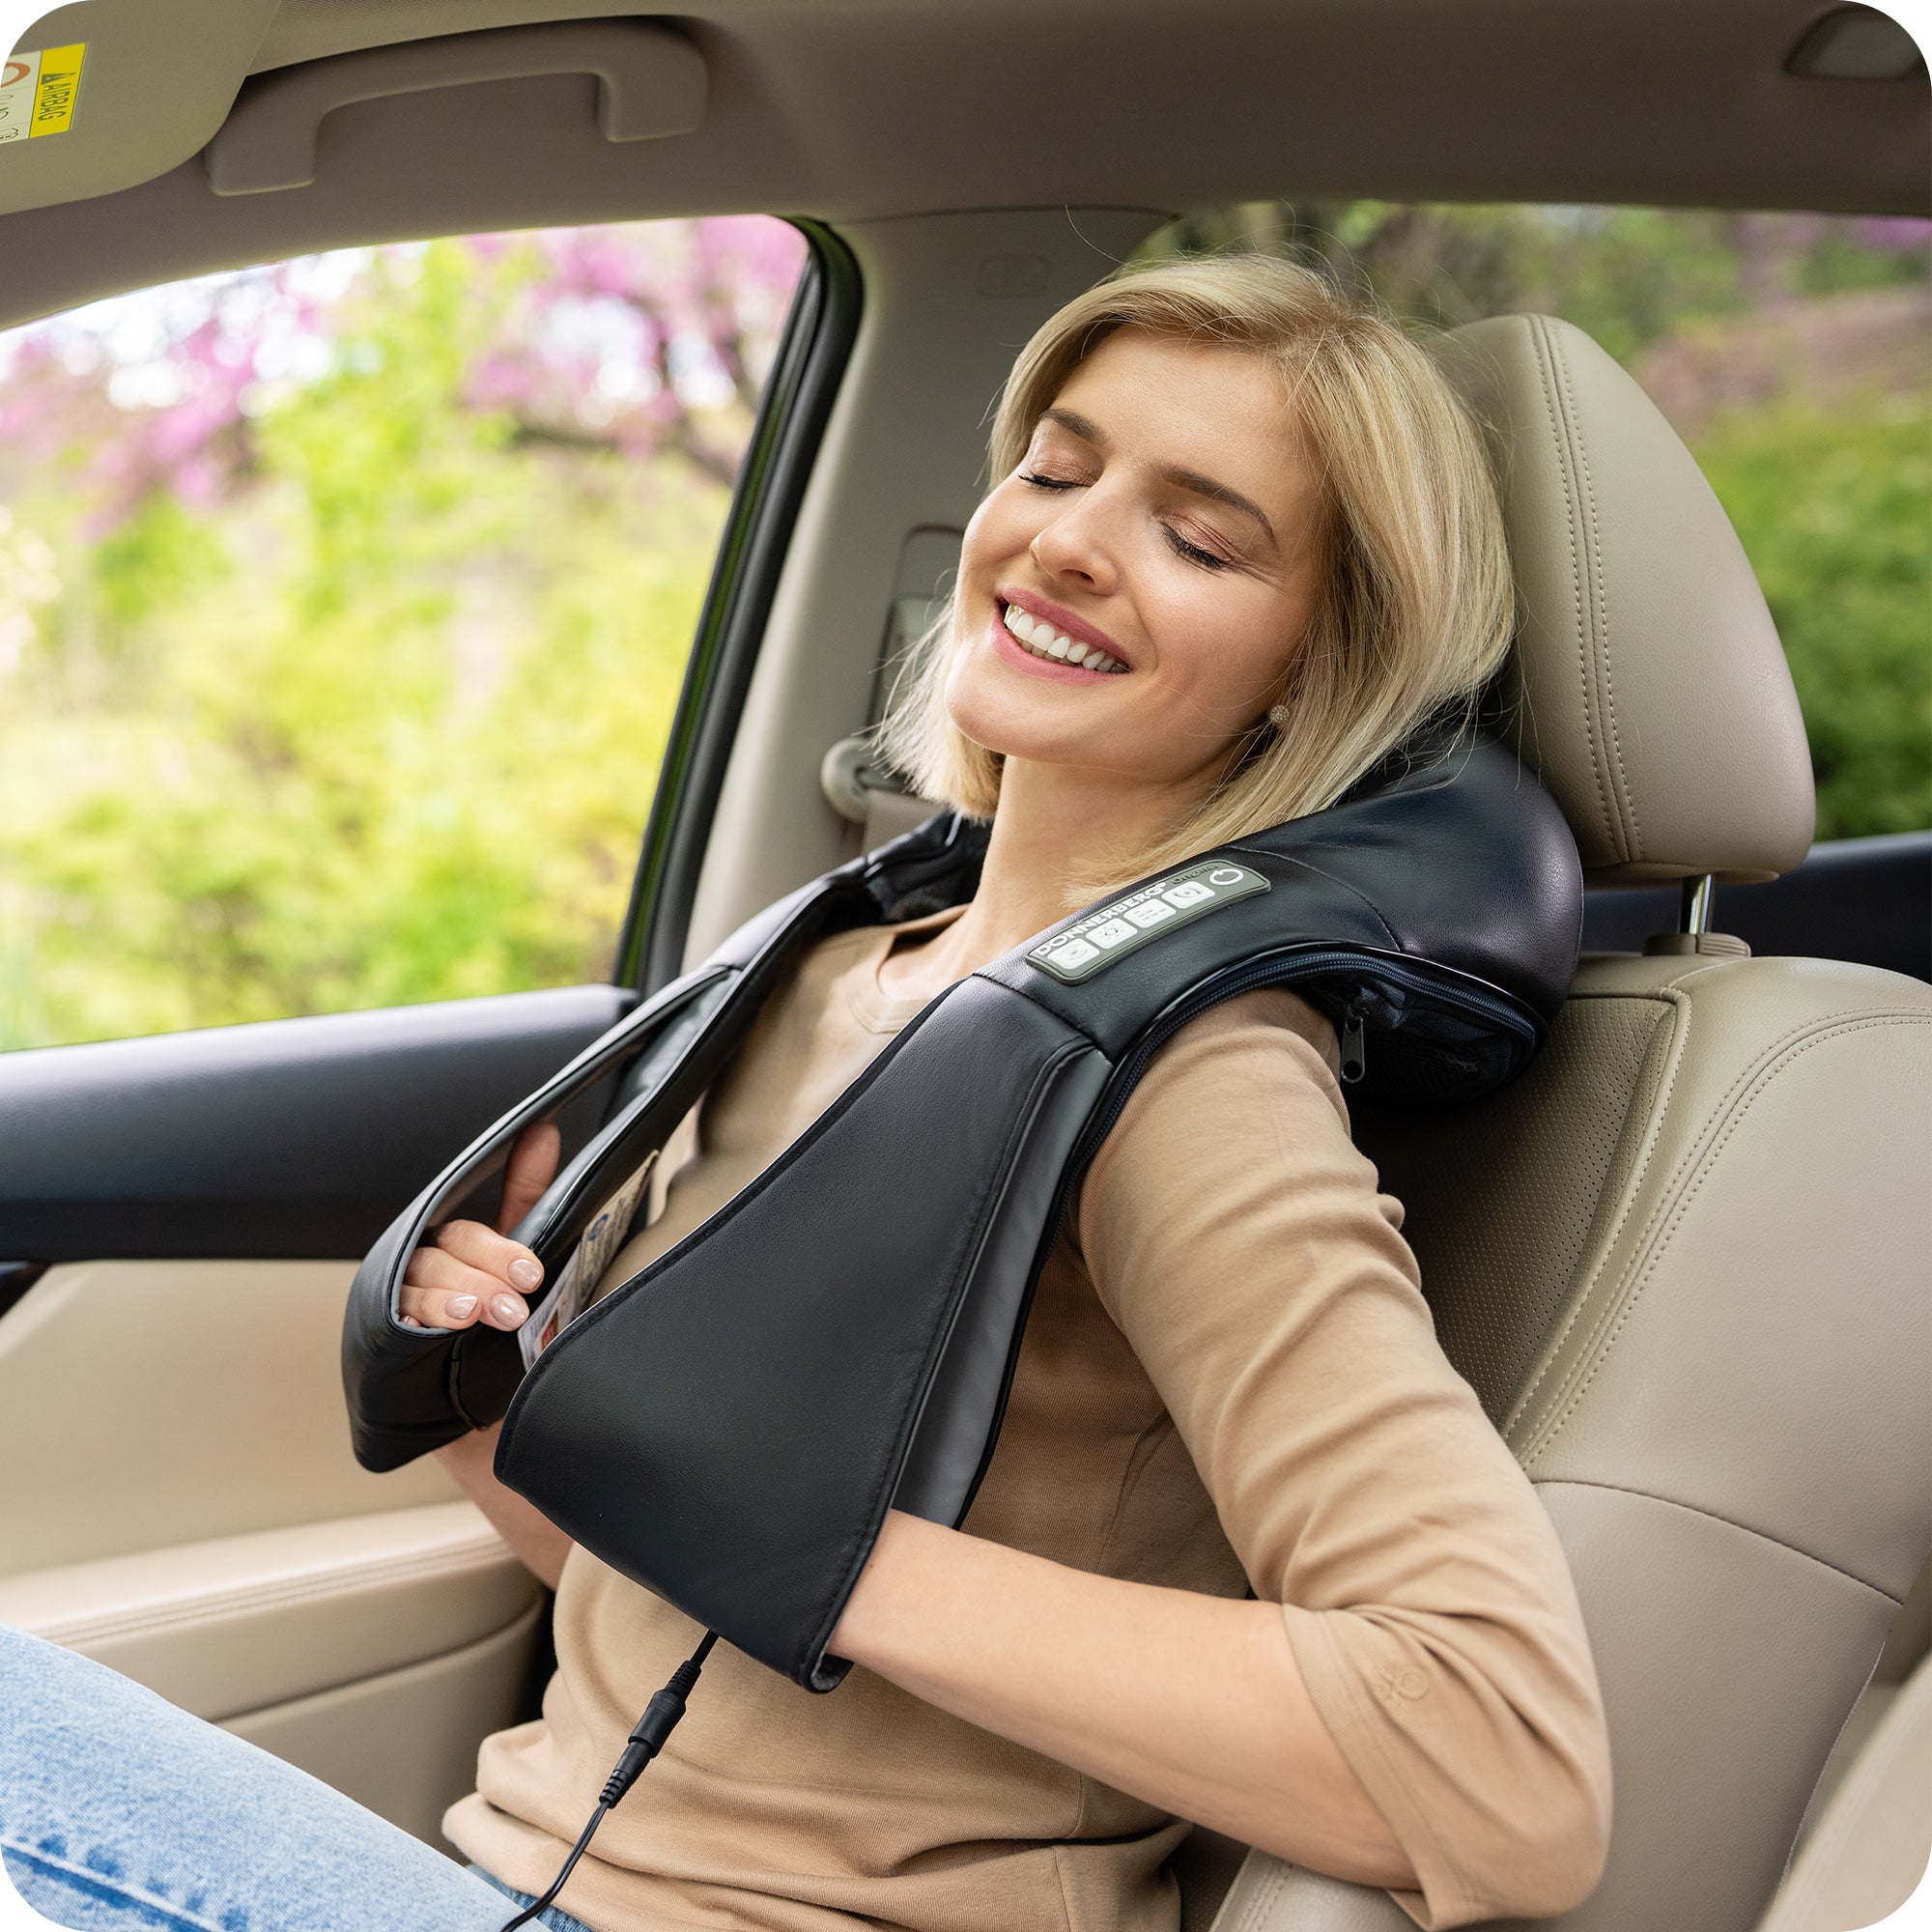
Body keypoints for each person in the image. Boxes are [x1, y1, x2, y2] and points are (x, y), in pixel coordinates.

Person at [0, 254, 1611, 1932]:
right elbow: (718, 1628)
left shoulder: (1186, 1081)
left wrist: (846, 1550)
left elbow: (1504, 1770)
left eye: (1199, 539)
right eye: (1055, 472)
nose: (1065, 540)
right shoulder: (828, 976)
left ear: (1312, 669)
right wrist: (508, 1418)